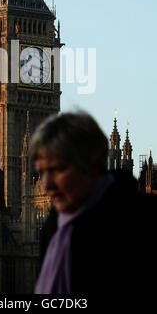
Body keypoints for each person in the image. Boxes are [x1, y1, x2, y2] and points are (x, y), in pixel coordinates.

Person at [29, 110, 157, 309]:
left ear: (91, 167)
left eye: (58, 170)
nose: (47, 184)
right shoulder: (54, 227)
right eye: (43, 172)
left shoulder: (138, 219)